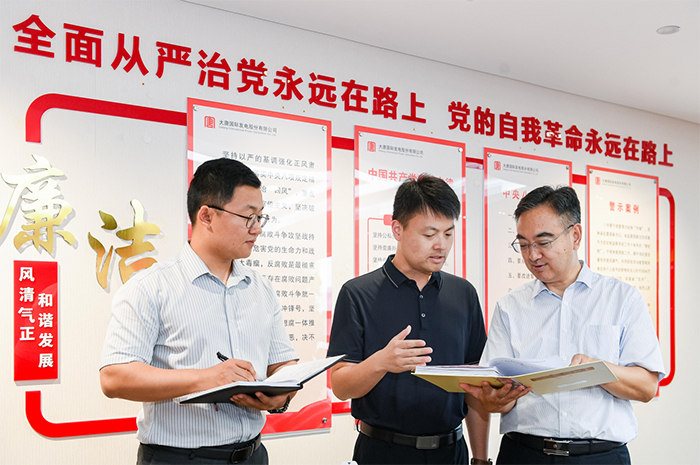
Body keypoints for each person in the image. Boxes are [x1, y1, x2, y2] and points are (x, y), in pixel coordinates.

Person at [100, 158, 298, 465]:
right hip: (180, 458)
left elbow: (283, 363)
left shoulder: (261, 288)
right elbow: (114, 378)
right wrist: (207, 378)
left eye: (260, 217)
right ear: (206, 216)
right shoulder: (151, 287)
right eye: (248, 217)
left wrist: (281, 395)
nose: (257, 229)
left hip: (253, 455)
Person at [462, 186, 665, 465]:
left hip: (599, 457)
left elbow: (646, 387)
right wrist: (495, 400)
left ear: (575, 235)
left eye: (543, 242)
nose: (532, 255)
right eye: (524, 245)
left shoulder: (622, 299)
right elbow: (498, 399)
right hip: (524, 454)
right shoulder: (510, 307)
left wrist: (596, 370)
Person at [328, 175, 491, 465]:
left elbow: (475, 386)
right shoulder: (358, 293)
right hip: (383, 452)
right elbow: (340, 386)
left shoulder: (463, 293)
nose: (441, 245)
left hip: (451, 452)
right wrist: (381, 362)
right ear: (397, 230)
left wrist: (480, 459)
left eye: (448, 234)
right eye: (429, 235)